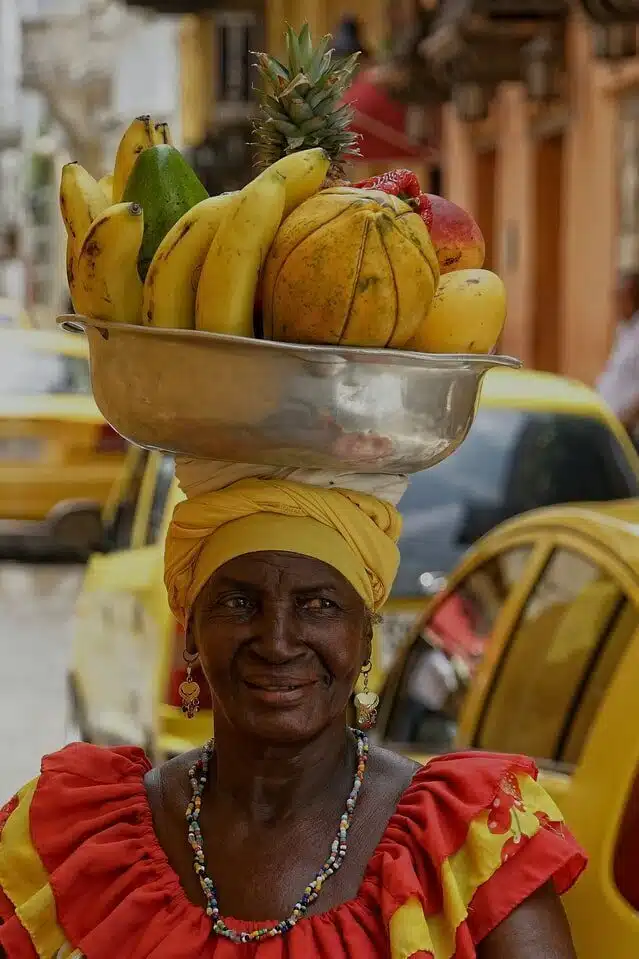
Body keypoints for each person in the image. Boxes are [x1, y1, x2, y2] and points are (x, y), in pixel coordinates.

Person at [0, 464, 586, 958]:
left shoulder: (468, 847)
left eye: (320, 605)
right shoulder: (73, 841)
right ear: (192, 640)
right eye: (237, 602)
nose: (278, 641)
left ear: (364, 640)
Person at [597, 270, 639, 445]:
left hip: (625, 430)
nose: (616, 302)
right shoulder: (624, 329)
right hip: (609, 423)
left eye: (620, 296)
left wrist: (624, 421)